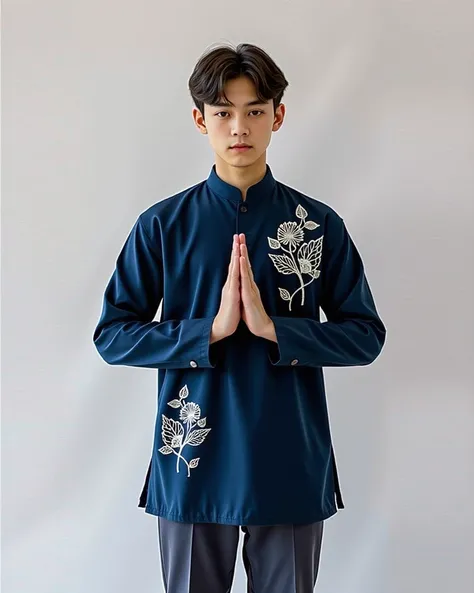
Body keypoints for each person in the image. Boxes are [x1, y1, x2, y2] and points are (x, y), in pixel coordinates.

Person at [93, 42, 386, 593]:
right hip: (191, 458)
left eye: (254, 110)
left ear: (278, 115)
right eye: (224, 112)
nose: (239, 127)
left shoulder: (317, 225)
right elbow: (112, 335)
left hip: (290, 456)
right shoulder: (163, 226)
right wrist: (210, 331)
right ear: (200, 119)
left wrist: (277, 329)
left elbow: (366, 336)